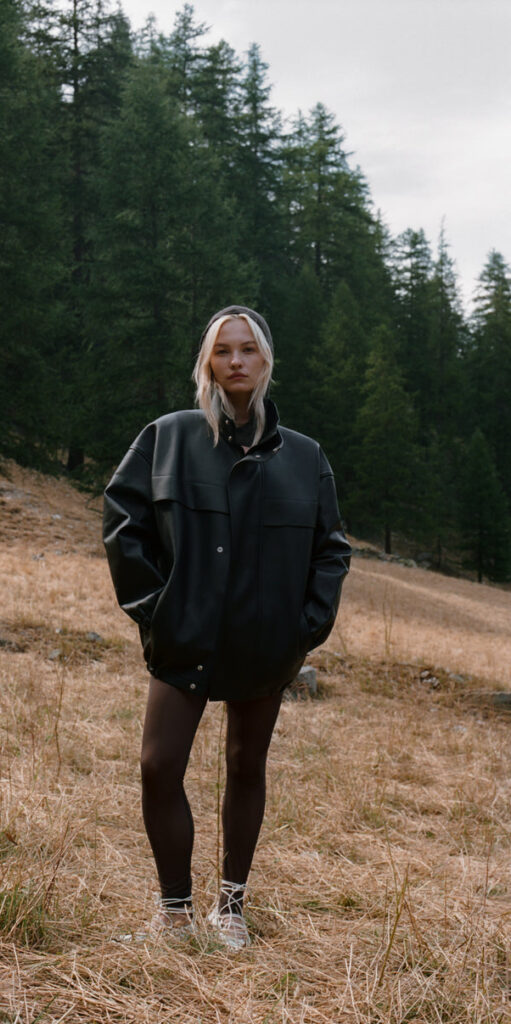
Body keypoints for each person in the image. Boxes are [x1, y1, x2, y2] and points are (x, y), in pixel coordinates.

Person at [103, 305, 351, 949]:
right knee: (159, 766)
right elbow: (123, 523)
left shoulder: (305, 457)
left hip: (265, 645)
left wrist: (303, 629)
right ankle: (174, 913)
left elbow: (331, 550)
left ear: (265, 361)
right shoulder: (170, 436)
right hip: (186, 635)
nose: (236, 360)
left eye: (247, 350)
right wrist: (156, 610)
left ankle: (231, 911)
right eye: (223, 351)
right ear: (207, 363)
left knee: (246, 765)